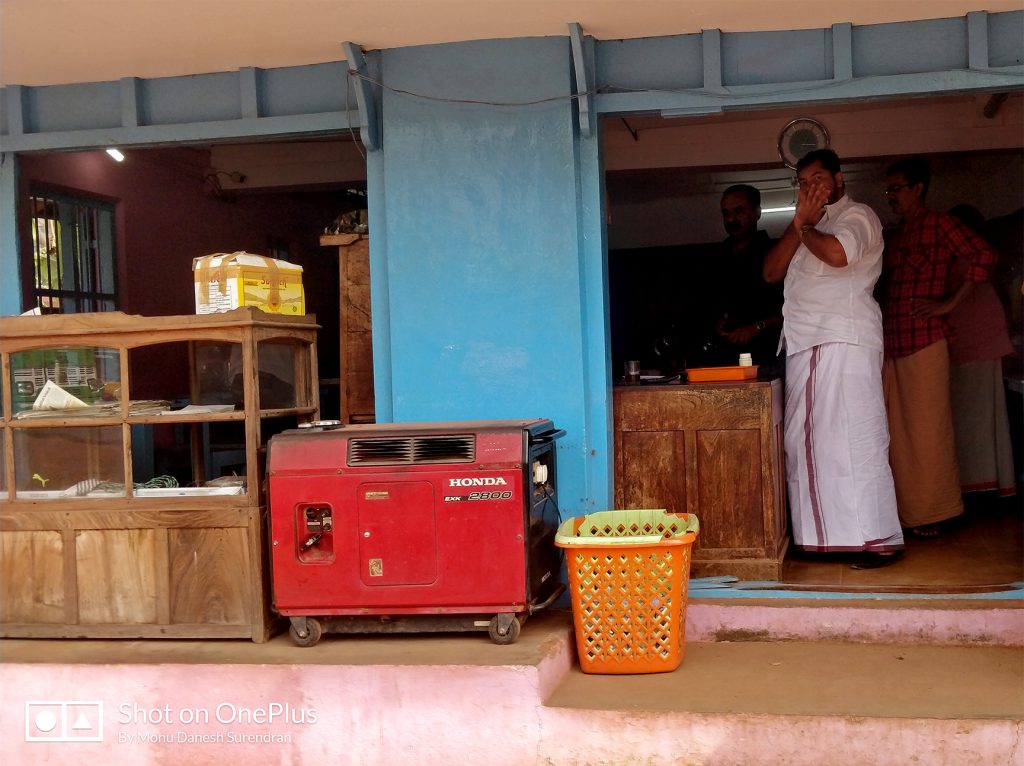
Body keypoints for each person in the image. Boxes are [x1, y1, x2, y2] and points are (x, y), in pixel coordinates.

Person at [763, 149, 903, 569]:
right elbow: (770, 272)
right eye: (804, 182)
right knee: (809, 444)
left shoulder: (857, 215)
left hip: (844, 339)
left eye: (819, 178)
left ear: (839, 180)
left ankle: (879, 540)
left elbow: (840, 255)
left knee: (855, 441)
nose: (811, 188)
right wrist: (799, 224)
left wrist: (804, 226)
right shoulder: (806, 225)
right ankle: (824, 539)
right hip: (806, 343)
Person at [880, 159, 999, 538]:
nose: (891, 196)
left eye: (897, 188)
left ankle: (936, 514)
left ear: (918, 188)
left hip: (926, 340)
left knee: (929, 431)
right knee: (898, 432)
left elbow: (985, 256)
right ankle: (909, 513)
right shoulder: (900, 232)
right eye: (889, 190)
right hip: (895, 343)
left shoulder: (939, 223)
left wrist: (949, 303)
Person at [946, 205, 1016, 503]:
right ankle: (990, 482)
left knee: (971, 417)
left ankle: (977, 485)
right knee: (985, 415)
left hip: (972, 342)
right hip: (983, 340)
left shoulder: (965, 261)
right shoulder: (977, 260)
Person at [707, 185, 783, 369]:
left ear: (757, 212)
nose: (731, 219)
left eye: (739, 211)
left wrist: (756, 327)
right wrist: (716, 323)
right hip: (724, 358)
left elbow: (792, 309)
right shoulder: (717, 257)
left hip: (766, 358)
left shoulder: (775, 254)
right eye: (726, 213)